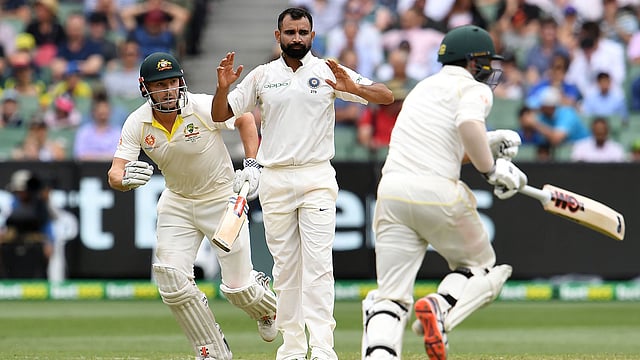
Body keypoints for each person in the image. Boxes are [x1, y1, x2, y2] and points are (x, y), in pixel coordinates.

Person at [212, 7, 393, 360]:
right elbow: (222, 114)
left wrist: (350, 87)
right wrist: (222, 89)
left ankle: (323, 347)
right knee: (285, 268)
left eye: (303, 32)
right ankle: (292, 348)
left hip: (316, 176)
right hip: (275, 177)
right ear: (278, 36)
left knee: (319, 264)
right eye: (290, 32)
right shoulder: (263, 76)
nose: (297, 38)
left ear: (312, 35)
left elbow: (385, 96)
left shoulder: (328, 70)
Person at [360, 25, 527, 360]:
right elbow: (468, 124)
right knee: (481, 266)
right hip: (437, 191)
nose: (490, 69)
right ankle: (439, 306)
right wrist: (491, 170)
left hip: (392, 192)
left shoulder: (422, 88)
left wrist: (490, 143)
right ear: (473, 61)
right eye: (486, 62)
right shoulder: (473, 89)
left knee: (390, 297)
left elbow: (446, 144)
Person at [107, 52, 277, 360]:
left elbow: (245, 118)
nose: (169, 90)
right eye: (161, 85)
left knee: (239, 290)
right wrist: (124, 178)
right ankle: (211, 351)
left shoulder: (199, 106)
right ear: (146, 88)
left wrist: (252, 163)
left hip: (222, 199)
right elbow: (115, 172)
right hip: (178, 202)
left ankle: (268, 308)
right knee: (171, 279)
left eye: (173, 82)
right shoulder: (137, 122)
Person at [0, 169, 54, 279]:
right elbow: (6, 226)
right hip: (12, 245)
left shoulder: (39, 205)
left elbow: (46, 225)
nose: (21, 194)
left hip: (35, 246)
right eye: (19, 191)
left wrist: (49, 243)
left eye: (23, 191)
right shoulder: (11, 203)